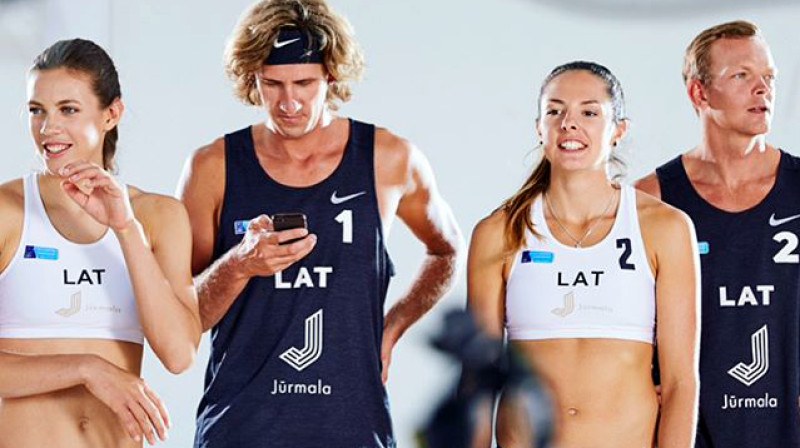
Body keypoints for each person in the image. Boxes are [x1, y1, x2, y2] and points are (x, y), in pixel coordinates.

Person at [177, 1, 463, 446]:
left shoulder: (389, 159)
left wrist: (394, 326)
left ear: (331, 75)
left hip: (351, 426)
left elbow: (446, 250)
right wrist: (238, 266)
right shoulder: (212, 167)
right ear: (251, 78)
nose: (289, 102)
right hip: (240, 426)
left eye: (304, 83)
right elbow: (179, 318)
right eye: (272, 84)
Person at [468, 61, 700, 448]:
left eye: (589, 112)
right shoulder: (499, 232)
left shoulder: (665, 228)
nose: (569, 124)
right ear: (539, 127)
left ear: (618, 131)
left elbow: (680, 383)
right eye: (555, 111)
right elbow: (477, 378)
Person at [0, 39, 201, 447]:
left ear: (112, 114)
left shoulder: (159, 216)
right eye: (37, 111)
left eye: (68, 110)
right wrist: (88, 369)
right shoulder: (8, 210)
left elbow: (179, 355)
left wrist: (126, 229)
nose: (48, 128)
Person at [637, 20, 799, 447]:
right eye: (742, 75)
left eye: (769, 77)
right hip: (692, 433)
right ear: (699, 93)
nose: (763, 89)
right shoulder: (650, 201)